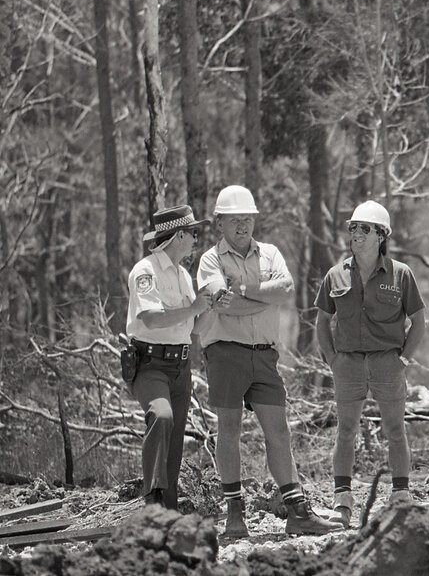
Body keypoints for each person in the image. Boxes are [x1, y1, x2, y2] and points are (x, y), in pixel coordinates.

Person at [197, 185, 338, 537]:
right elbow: (221, 302)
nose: (243, 226)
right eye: (235, 220)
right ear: (220, 223)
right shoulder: (210, 260)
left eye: (248, 218)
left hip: (264, 354)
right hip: (225, 352)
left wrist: (243, 290)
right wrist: (265, 296)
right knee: (228, 431)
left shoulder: (271, 253)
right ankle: (234, 515)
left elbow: (287, 288)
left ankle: (297, 512)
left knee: (278, 430)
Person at [314, 200, 426, 529]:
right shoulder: (335, 275)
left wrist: (403, 359)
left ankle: (401, 496)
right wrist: (332, 359)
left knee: (395, 430)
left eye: (364, 228)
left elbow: (419, 320)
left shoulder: (401, 274)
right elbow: (322, 322)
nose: (356, 234)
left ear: (381, 235)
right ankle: (342, 500)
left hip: (387, 363)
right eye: (353, 228)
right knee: (346, 431)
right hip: (347, 364)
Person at [126, 205, 213, 509]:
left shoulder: (183, 276)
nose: (196, 239)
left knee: (175, 438)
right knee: (161, 417)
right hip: (150, 365)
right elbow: (150, 318)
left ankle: (169, 508)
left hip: (180, 366)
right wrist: (193, 308)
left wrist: (210, 307)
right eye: (193, 233)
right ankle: (152, 501)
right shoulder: (145, 271)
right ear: (177, 236)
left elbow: (193, 327)